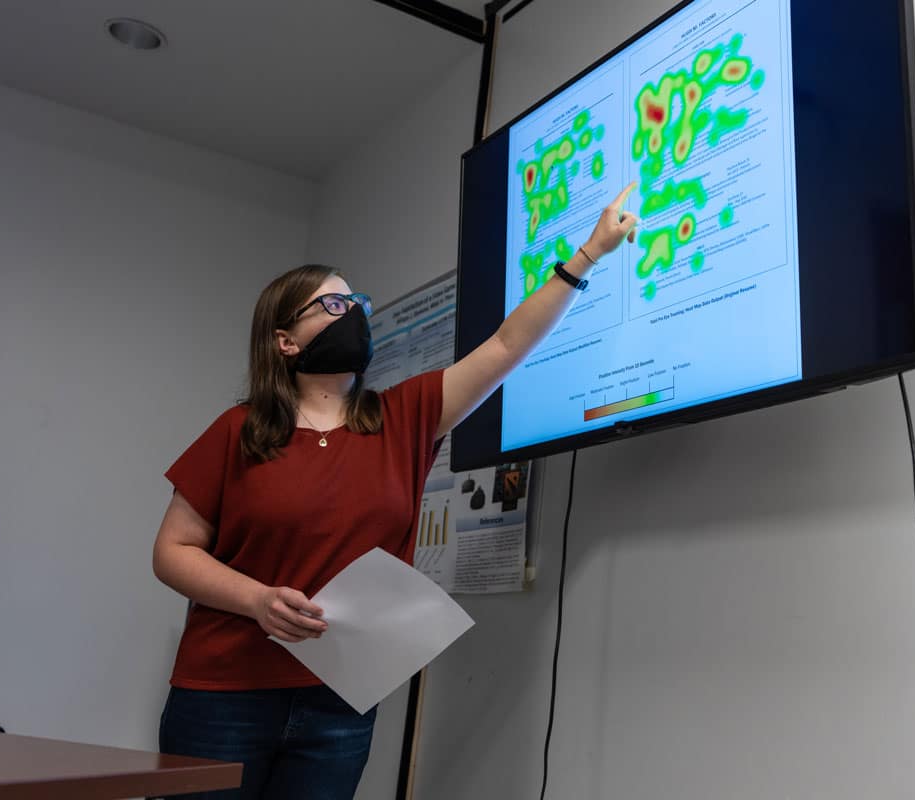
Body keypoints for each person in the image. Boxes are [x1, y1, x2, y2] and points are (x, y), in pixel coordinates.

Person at [152, 183, 639, 799]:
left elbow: (508, 346)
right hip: (221, 696)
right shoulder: (238, 431)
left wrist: (589, 255)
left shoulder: (402, 417)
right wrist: (255, 600)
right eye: (331, 306)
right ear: (285, 341)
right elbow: (173, 551)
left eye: (356, 300)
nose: (352, 311)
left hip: (336, 703)